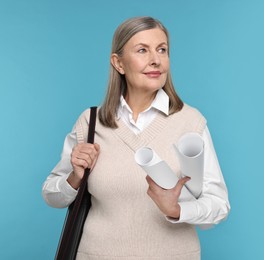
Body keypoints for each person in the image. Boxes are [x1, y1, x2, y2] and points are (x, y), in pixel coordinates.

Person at [42, 16, 230, 260]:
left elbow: (219, 205)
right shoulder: (90, 122)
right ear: (118, 63)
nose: (155, 59)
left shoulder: (190, 122)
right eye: (142, 50)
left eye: (162, 50)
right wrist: (75, 177)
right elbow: (52, 196)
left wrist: (177, 209)